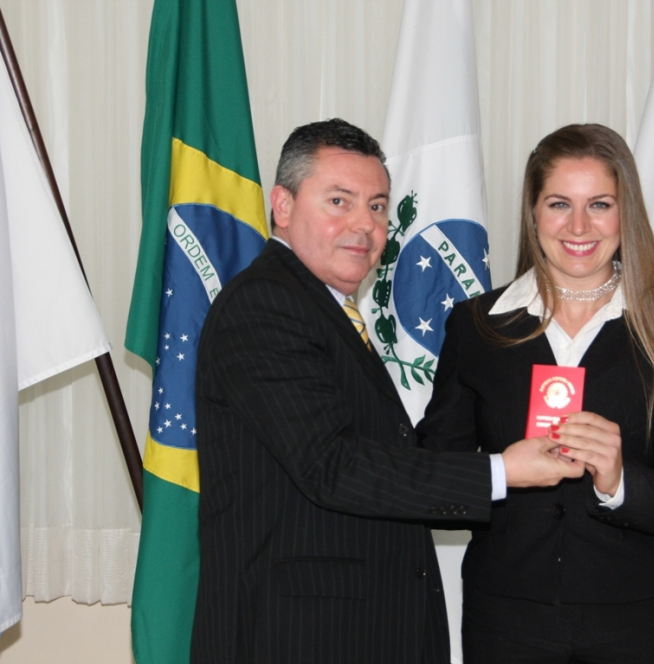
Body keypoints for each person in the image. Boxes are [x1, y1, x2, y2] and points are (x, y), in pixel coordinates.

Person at [189, 118, 584, 664]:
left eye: (377, 206)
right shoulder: (265, 306)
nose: (364, 225)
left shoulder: (321, 306)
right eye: (339, 201)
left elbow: (379, 452)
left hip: (358, 628)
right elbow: (333, 466)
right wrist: (501, 470)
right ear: (282, 205)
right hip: (296, 636)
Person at [417, 123, 654, 664]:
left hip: (636, 625)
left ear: (626, 214)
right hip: (505, 622)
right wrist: (502, 472)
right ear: (533, 213)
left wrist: (619, 483)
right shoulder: (478, 326)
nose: (579, 225)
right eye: (560, 204)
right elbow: (429, 484)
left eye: (600, 204)